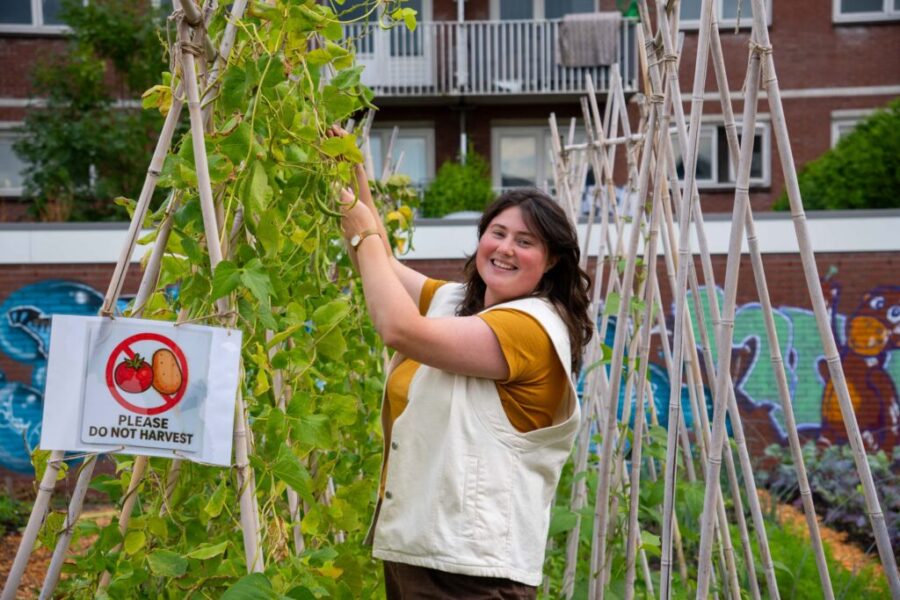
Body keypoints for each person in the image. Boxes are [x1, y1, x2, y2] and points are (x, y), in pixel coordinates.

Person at [339, 155, 592, 599]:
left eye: (525, 241)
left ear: (552, 261)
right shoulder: (455, 301)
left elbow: (398, 327)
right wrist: (350, 178)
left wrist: (363, 233)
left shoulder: (530, 327)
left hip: (472, 572)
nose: (506, 248)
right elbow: (382, 266)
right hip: (419, 548)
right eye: (497, 233)